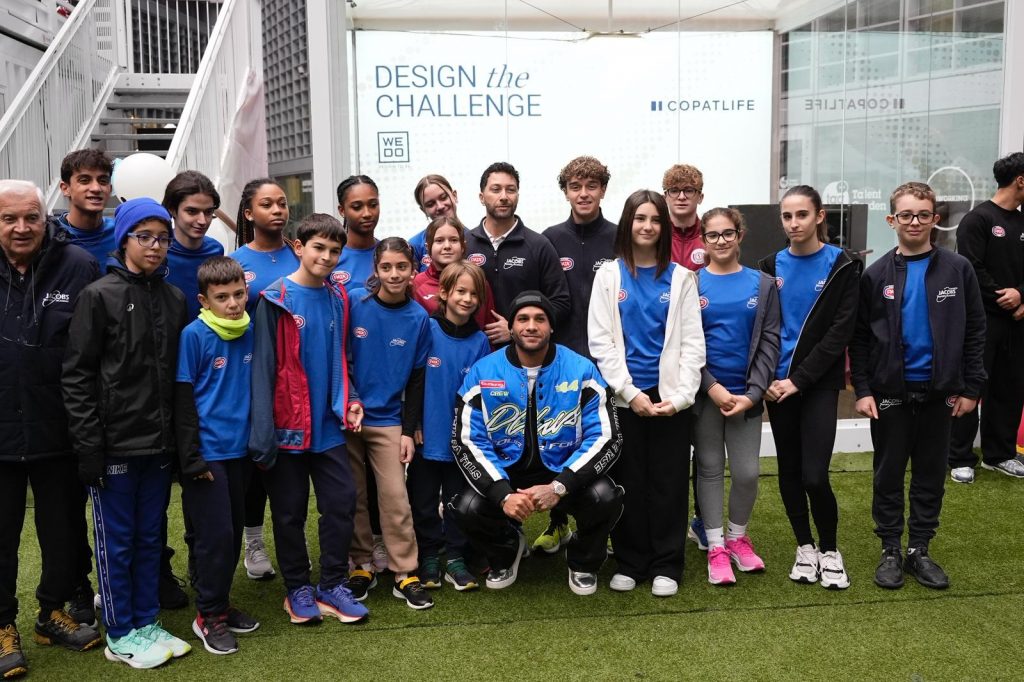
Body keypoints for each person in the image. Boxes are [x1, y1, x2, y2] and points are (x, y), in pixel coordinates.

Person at [62, 197, 191, 669]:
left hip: (158, 445)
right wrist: (89, 447)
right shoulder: (98, 296)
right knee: (116, 543)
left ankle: (146, 622)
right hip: (113, 446)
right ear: (125, 239)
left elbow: (179, 378)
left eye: (163, 238)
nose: (155, 246)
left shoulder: (174, 298)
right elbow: (77, 376)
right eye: (145, 236)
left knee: (149, 538)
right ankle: (120, 634)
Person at [851, 182, 986, 590]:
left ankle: (919, 549)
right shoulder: (875, 275)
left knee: (930, 474)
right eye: (906, 215)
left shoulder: (957, 269)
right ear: (891, 220)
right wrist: (863, 390)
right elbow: (859, 338)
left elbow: (975, 330)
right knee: (888, 474)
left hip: (941, 391)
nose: (914, 222)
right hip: (889, 391)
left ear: (935, 220)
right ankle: (891, 549)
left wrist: (971, 388)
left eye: (923, 215)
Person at [450, 291, 622, 595]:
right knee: (466, 507)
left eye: (540, 319)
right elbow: (466, 441)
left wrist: (560, 486)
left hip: (564, 473)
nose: (531, 326)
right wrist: (502, 494)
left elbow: (607, 437)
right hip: (507, 473)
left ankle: (583, 560)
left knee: (605, 496)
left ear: (551, 326)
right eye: (523, 319)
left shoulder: (581, 369)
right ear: (512, 327)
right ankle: (507, 549)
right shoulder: (483, 371)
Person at [0, 180, 101, 680]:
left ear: (46, 218)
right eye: (9, 219)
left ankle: (51, 613)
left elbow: (96, 350)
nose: (22, 228)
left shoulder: (78, 265)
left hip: (60, 430)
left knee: (63, 533)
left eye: (31, 217)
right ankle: (2, 627)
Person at [248, 213, 368, 626]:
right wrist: (262, 431)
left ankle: (332, 584)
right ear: (298, 247)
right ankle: (297, 588)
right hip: (286, 429)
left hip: (329, 427)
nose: (327, 257)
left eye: (334, 250)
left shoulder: (338, 297)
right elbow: (262, 368)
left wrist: (351, 399)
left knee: (341, 502)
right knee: (289, 513)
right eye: (319, 247)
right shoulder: (274, 298)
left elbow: (342, 359)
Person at [588, 190, 704, 597]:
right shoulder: (609, 276)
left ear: (664, 227)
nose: (648, 226)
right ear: (628, 223)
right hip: (625, 398)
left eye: (655, 219)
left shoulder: (682, 278)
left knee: (669, 482)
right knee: (629, 480)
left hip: (671, 399)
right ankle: (631, 562)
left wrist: (682, 397)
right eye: (640, 218)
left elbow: (693, 345)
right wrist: (629, 392)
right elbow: (601, 342)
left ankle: (667, 564)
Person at [758, 184, 862, 590]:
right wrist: (768, 379)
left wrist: (799, 380)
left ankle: (830, 549)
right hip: (776, 385)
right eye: (787, 216)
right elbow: (762, 329)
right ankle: (805, 546)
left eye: (802, 214)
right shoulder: (769, 266)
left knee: (815, 475)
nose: (794, 223)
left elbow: (840, 332)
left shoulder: (843, 265)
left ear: (819, 216)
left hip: (816, 385)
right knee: (788, 470)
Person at [175, 257, 261, 654]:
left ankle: (221, 604)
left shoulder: (250, 329)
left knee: (234, 530)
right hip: (207, 453)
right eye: (222, 297)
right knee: (216, 537)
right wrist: (191, 457)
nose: (233, 304)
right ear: (204, 301)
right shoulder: (194, 335)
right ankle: (208, 615)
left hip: (240, 451)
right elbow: (183, 398)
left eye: (238, 294)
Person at [345, 238, 434, 610]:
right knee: (354, 495)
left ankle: (404, 571)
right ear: (376, 270)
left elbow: (417, 379)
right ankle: (361, 565)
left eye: (401, 267)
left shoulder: (418, 318)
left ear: (413, 270)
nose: (394, 274)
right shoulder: (354, 302)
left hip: (388, 421)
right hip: (349, 417)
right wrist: (350, 401)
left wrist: (409, 430)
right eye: (386, 267)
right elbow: (340, 358)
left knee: (396, 497)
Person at [693, 208, 780, 586]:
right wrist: (711, 387)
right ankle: (715, 545)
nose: (721, 241)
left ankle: (737, 538)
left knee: (746, 472)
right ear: (703, 240)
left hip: (746, 398)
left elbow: (770, 341)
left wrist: (754, 393)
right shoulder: (691, 283)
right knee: (710, 468)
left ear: (740, 235)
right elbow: (685, 345)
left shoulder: (763, 284)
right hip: (706, 396)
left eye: (728, 233)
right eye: (713, 235)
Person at [539, 156, 617, 555]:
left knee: (605, 442)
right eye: (575, 186)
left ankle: (606, 527)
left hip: (609, 362)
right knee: (559, 441)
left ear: (603, 190)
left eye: (591, 186)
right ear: (565, 191)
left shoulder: (620, 237)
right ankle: (558, 523)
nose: (583, 194)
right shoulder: (549, 239)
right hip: (560, 361)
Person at [405, 261, 491, 592]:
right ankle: (429, 556)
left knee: (457, 500)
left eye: (474, 294)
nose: (467, 299)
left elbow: (482, 395)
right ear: (444, 293)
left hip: (462, 442)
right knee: (423, 501)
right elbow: (410, 379)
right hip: (426, 435)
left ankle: (455, 558)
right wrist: (412, 423)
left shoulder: (480, 342)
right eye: (460, 291)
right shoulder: (425, 329)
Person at [231, 177, 297, 581]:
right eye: (267, 204)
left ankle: (292, 544)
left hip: (297, 375)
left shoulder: (300, 253)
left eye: (282, 203)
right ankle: (253, 541)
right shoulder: (236, 261)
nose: (277, 210)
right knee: (257, 458)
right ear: (248, 213)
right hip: (252, 374)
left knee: (291, 465)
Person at [948, 152, 1024, 482]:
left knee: (1011, 386)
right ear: (1020, 180)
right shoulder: (977, 220)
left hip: (1018, 320)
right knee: (971, 384)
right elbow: (970, 270)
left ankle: (1000, 454)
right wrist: (1005, 299)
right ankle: (959, 457)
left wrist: (1021, 296)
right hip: (981, 321)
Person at [465, 162, 571, 341]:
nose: (504, 197)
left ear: (518, 196)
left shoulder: (538, 245)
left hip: (525, 352)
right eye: (496, 190)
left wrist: (516, 329)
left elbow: (561, 302)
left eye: (511, 190)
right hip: (473, 349)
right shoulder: (465, 244)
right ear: (482, 197)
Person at [662, 163, 709, 550]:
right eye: (674, 190)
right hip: (661, 355)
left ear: (699, 196)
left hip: (703, 353)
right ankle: (664, 520)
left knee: (704, 449)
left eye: (688, 190)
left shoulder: (712, 235)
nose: (681, 196)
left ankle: (702, 519)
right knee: (670, 449)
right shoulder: (653, 233)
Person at [411, 215, 500, 335]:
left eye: (454, 240)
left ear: (463, 246)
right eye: (439, 240)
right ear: (428, 247)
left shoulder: (479, 281)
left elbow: (490, 328)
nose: (447, 246)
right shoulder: (416, 284)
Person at [164, 171, 225, 320]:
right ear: (172, 209)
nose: (202, 221)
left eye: (208, 212)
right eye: (192, 211)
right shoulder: (158, 250)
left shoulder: (216, 250)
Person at [56, 149, 116, 270]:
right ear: (65, 188)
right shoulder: (51, 236)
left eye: (103, 181)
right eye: (84, 180)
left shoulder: (120, 233)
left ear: (110, 189)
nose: (96, 188)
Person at [334, 175, 381, 291]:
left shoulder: (389, 253)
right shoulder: (330, 256)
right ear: (342, 211)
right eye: (357, 207)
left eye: (373, 205)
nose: (367, 213)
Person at [408, 174, 461, 272]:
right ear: (423, 210)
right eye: (430, 204)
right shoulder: (415, 245)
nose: (440, 206)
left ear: (454, 196)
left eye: (443, 197)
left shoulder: (474, 239)